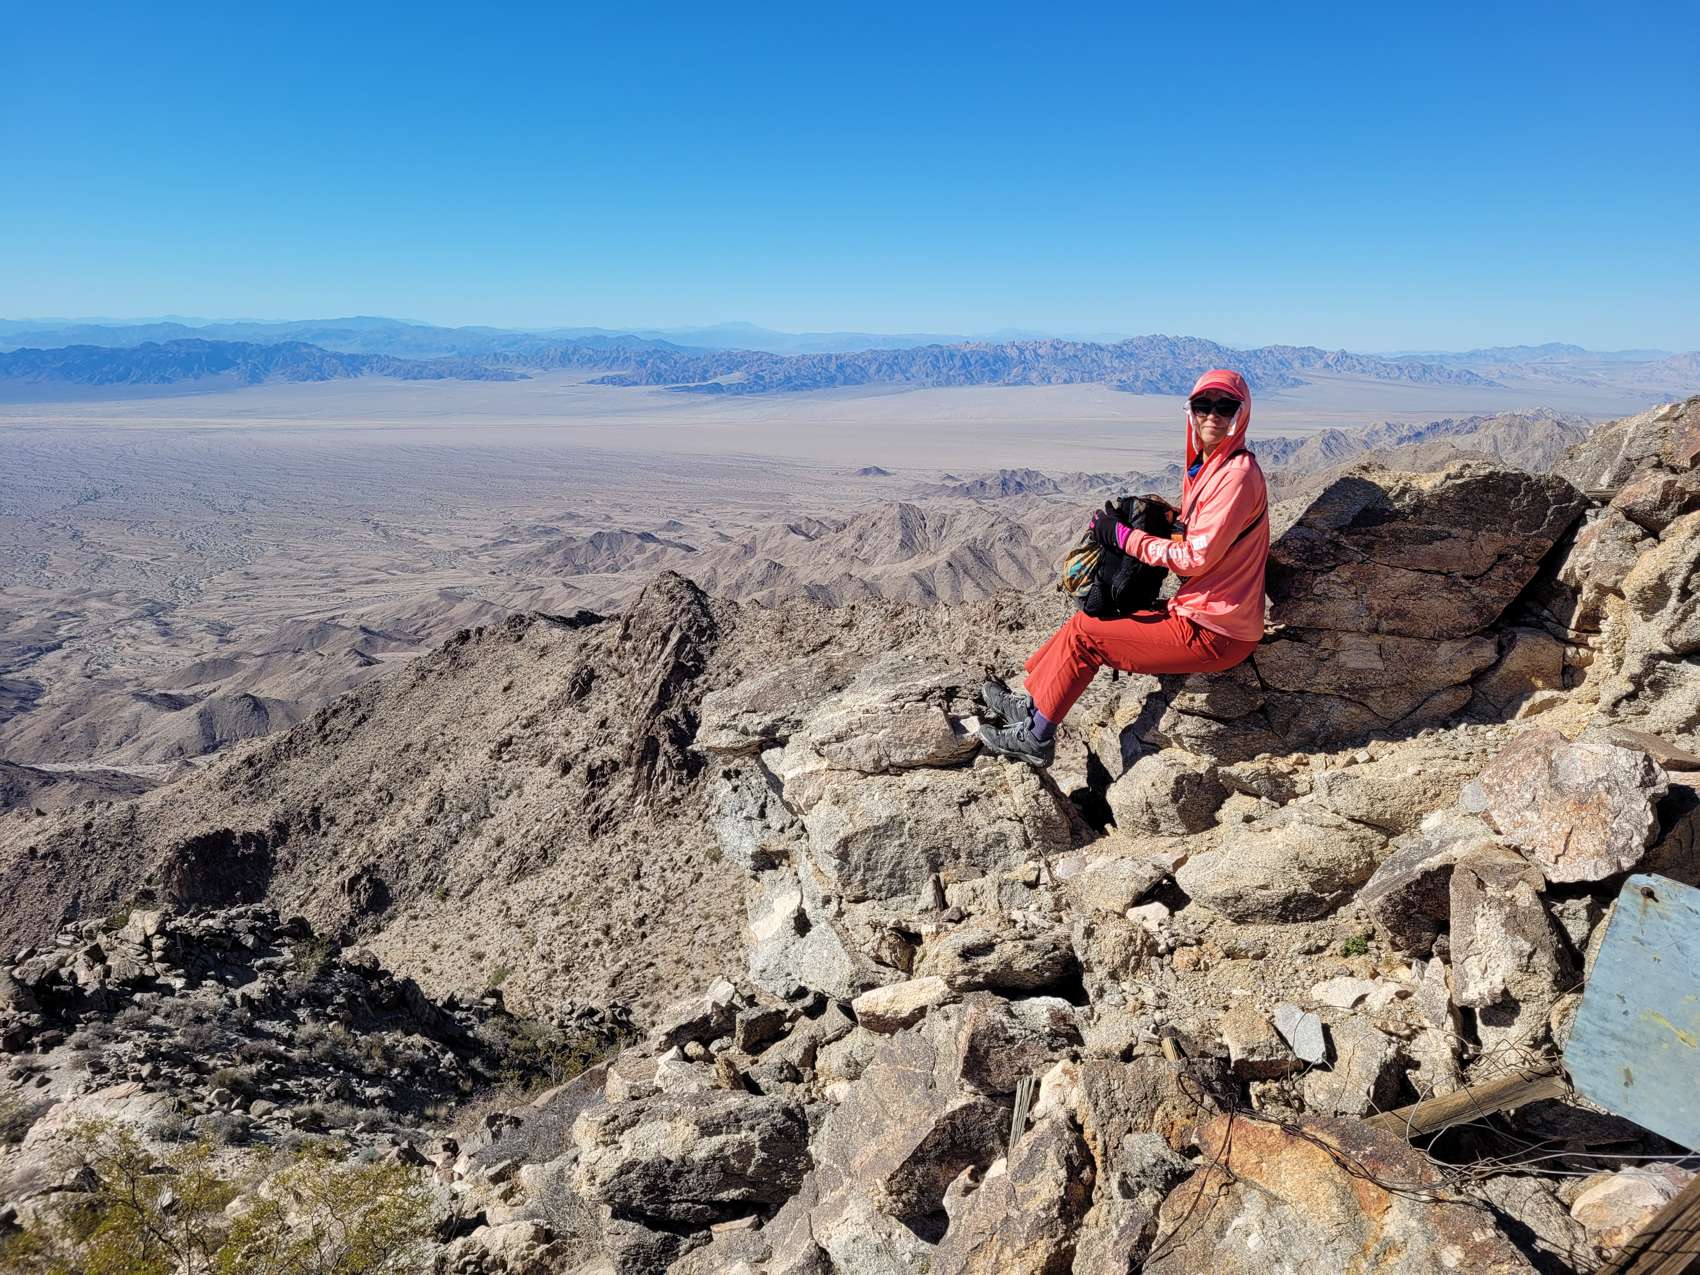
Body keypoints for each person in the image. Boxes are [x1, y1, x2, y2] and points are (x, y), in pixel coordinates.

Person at [979, 368, 1269, 767]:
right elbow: (1205, 534)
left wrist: (1121, 537)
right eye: (1203, 405)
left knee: (1087, 638)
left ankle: (1036, 737)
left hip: (1216, 632)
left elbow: (1196, 558)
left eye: (1226, 407)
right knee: (1085, 620)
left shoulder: (1235, 475)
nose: (1212, 416)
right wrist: (1169, 520)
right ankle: (1031, 705)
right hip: (1202, 613)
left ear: (1242, 413)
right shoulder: (1210, 466)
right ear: (1190, 411)